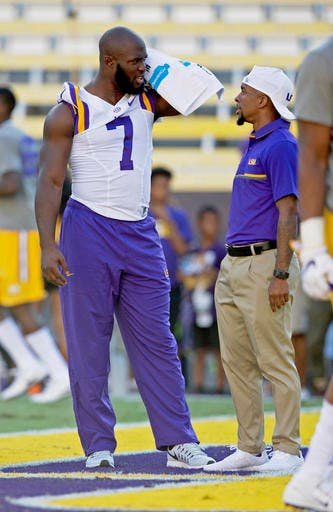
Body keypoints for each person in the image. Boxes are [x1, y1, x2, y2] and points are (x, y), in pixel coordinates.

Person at [34, 26, 215, 470]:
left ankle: (177, 440)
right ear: (109, 62)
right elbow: (50, 180)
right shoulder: (68, 110)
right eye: (135, 62)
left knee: (158, 340)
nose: (144, 69)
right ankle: (98, 445)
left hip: (139, 231)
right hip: (87, 227)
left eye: (145, 60)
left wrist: (150, 63)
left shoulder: (148, 97)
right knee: (88, 342)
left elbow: (202, 87)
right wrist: (47, 244)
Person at [205, 66, 303, 474]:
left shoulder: (280, 144)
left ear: (262, 99)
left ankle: (287, 449)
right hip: (234, 264)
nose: (237, 98)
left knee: (274, 359)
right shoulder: (256, 142)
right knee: (237, 361)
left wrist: (280, 274)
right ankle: (250, 446)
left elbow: (289, 212)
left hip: (265, 264)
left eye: (244, 91)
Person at [283, 35, 333, 511]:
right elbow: (313, 158)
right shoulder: (324, 61)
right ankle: (313, 475)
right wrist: (314, 247)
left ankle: (315, 475)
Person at [0, 86, 70, 403]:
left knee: (21, 307)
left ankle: (58, 373)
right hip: (11, 230)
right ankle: (29, 365)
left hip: (15, 232)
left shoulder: (5, 136)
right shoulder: (16, 136)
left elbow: (10, 182)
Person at [149, 166, 193, 384]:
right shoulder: (140, 214)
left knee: (171, 333)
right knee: (145, 334)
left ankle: (171, 378)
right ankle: (142, 377)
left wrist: (167, 220)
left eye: (165, 187)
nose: (162, 191)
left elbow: (183, 250)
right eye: (157, 186)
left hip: (171, 285)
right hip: (144, 284)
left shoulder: (177, 215)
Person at [180, 206, 226, 394]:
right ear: (199, 224)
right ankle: (197, 384)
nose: (210, 226)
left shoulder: (221, 251)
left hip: (215, 309)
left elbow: (225, 275)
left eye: (214, 222)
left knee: (218, 349)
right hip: (196, 309)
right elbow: (184, 274)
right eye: (207, 222)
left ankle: (219, 385)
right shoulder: (193, 251)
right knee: (198, 349)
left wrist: (212, 275)